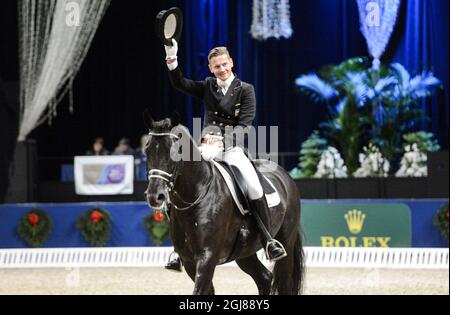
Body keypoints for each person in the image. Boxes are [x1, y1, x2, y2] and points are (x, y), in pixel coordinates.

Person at [163, 39, 287, 272]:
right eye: (216, 66)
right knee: (180, 183)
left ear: (231, 62)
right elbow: (179, 83)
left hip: (231, 148)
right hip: (206, 145)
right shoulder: (208, 85)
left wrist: (222, 143)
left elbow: (245, 125)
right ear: (211, 69)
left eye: (224, 64)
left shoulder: (246, 89)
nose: (222, 69)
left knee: (254, 186)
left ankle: (269, 240)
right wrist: (172, 57)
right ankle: (178, 249)